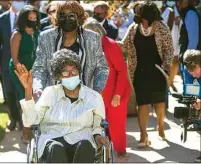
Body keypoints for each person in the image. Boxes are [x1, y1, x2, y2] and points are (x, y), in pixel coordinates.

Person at [16, 49, 109, 163]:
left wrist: (98, 137)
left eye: (74, 70)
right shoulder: (49, 93)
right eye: (65, 72)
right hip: (53, 138)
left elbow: (97, 126)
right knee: (56, 148)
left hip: (82, 139)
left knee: (85, 146)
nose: (70, 75)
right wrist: (28, 90)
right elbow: (31, 121)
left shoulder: (93, 96)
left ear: (78, 71)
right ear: (59, 76)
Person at [120, 2, 174, 147]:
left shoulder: (162, 28)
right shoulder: (134, 28)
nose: (137, 13)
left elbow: (169, 49)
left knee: (159, 102)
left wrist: (167, 64)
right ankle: (143, 135)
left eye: (140, 12)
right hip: (139, 71)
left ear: (147, 14)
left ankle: (160, 126)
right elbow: (124, 45)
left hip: (158, 70)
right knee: (142, 103)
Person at [32, 1, 109, 100]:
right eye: (63, 16)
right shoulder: (46, 37)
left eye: (71, 16)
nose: (67, 19)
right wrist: (38, 88)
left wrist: (97, 91)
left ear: (79, 17)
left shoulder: (92, 38)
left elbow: (102, 68)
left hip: (84, 98)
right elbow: (39, 67)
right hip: (54, 98)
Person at [83, 19, 131, 160]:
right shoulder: (87, 45)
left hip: (116, 91)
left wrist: (117, 94)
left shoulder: (110, 45)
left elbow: (122, 71)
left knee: (116, 123)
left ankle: (120, 150)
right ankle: (100, 150)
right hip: (98, 91)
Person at [0, 0, 26, 131]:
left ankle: (25, 123)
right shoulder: (1, 19)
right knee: (9, 94)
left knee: (22, 95)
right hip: (6, 64)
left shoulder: (26, 16)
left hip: (24, 64)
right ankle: (14, 119)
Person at [9, 5, 40, 100]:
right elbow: (15, 59)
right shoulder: (17, 34)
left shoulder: (37, 32)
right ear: (24, 19)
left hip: (34, 69)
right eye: (30, 18)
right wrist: (23, 74)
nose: (33, 20)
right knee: (25, 97)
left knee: (36, 96)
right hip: (20, 70)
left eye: (35, 18)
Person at [176, 0, 201, 95]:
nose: (178, 3)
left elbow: (193, 40)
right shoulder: (188, 13)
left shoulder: (190, 13)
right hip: (190, 62)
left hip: (193, 63)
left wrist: (189, 63)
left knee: (193, 97)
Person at [182, 49, 201, 163]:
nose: (192, 73)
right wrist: (194, 101)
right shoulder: (187, 70)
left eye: (194, 70)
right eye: (189, 71)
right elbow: (190, 89)